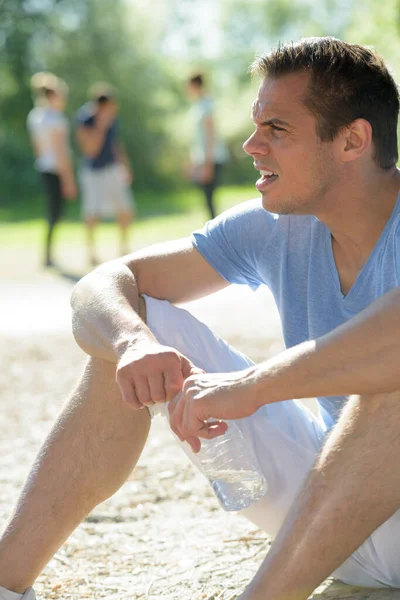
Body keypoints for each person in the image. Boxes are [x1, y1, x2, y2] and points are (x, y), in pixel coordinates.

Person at [2, 36, 400, 600]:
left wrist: (253, 387)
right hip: (342, 519)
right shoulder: (280, 224)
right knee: (138, 323)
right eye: (255, 125)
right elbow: (102, 284)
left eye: (277, 130)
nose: (250, 145)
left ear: (353, 140)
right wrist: (133, 342)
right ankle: (4, 582)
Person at [75, 82, 135, 266]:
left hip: (112, 169)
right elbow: (90, 150)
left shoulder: (112, 118)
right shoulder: (84, 119)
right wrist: (100, 126)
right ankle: (91, 252)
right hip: (93, 172)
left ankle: (124, 249)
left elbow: (115, 144)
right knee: (92, 213)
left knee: (126, 210)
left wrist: (125, 165)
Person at [27, 72, 77, 267]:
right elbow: (61, 152)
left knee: (52, 211)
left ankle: (47, 253)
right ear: (54, 96)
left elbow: (37, 147)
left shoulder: (35, 116)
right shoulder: (56, 119)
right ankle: (48, 255)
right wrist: (68, 180)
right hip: (56, 169)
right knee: (55, 212)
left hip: (44, 168)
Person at [186, 73, 228, 219]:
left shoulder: (207, 104)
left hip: (212, 157)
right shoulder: (197, 105)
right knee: (206, 196)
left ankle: (214, 230)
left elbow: (210, 135)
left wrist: (207, 164)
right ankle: (212, 227)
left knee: (209, 195)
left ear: (195, 85)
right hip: (202, 158)